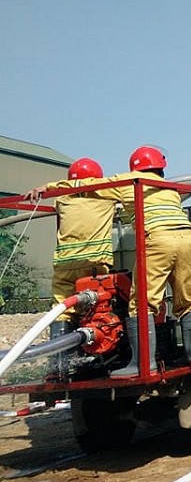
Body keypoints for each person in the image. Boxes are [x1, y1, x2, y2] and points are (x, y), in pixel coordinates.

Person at [30, 146, 191, 377]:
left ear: (134, 166)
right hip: (187, 239)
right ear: (160, 167)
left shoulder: (129, 181)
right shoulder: (169, 189)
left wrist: (49, 188)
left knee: (140, 302)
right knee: (186, 298)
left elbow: (87, 186)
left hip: (158, 239)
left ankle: (143, 363)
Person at [25, 158, 116, 380]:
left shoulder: (62, 199)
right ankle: (97, 349)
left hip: (66, 263)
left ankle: (60, 366)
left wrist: (44, 187)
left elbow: (71, 188)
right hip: (95, 267)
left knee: (62, 308)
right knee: (97, 308)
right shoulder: (107, 196)